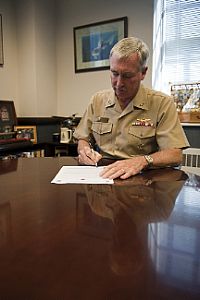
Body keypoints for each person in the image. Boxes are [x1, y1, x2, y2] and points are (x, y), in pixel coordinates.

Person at [73, 37, 189, 179]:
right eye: (114, 73)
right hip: (103, 176)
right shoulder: (97, 100)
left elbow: (175, 154)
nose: (119, 83)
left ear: (143, 73)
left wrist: (143, 161)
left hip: (142, 180)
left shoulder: (162, 103)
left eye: (127, 76)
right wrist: (84, 150)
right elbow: (83, 137)